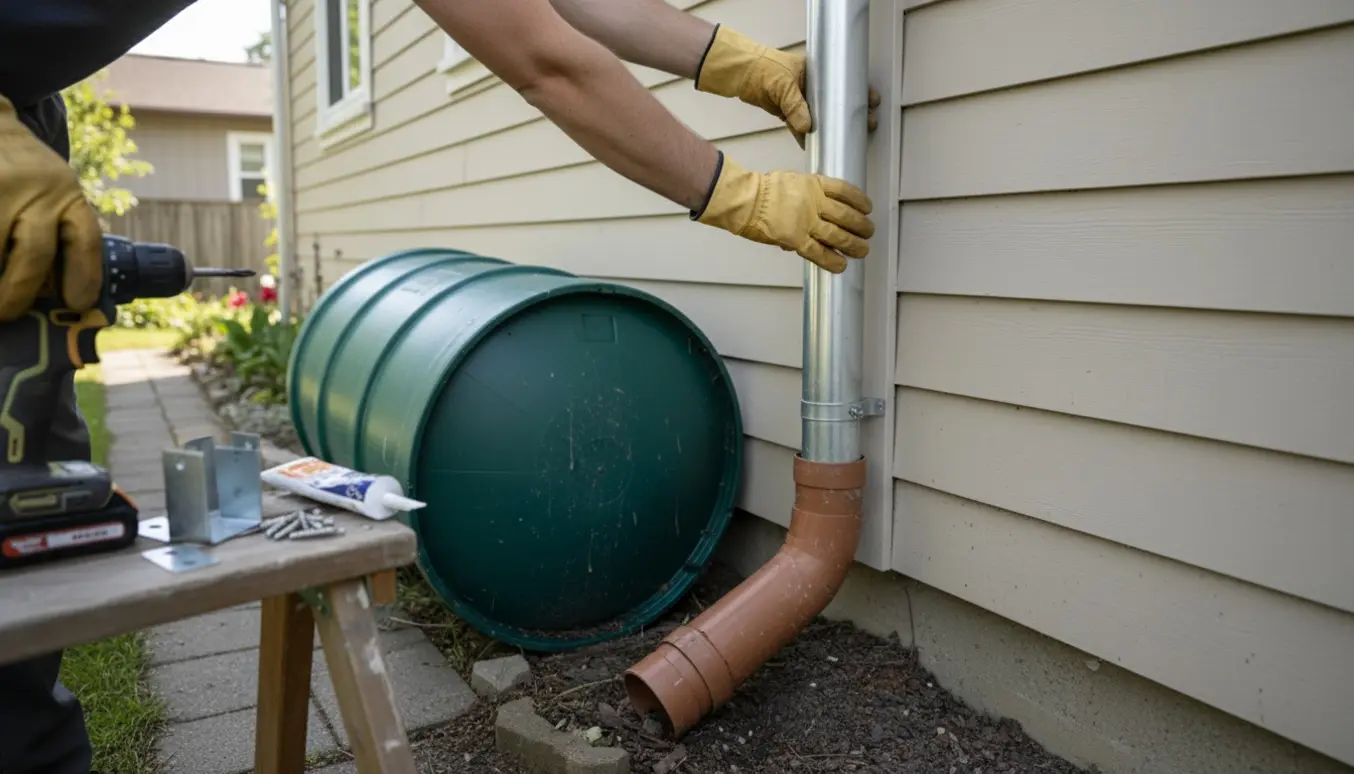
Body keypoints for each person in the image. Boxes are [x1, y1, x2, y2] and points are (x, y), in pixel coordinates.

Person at [0, 1, 877, 770]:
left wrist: (741, 64)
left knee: (30, 523)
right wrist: (736, 192)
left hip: (22, 113)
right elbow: (546, 58)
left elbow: (571, 7)